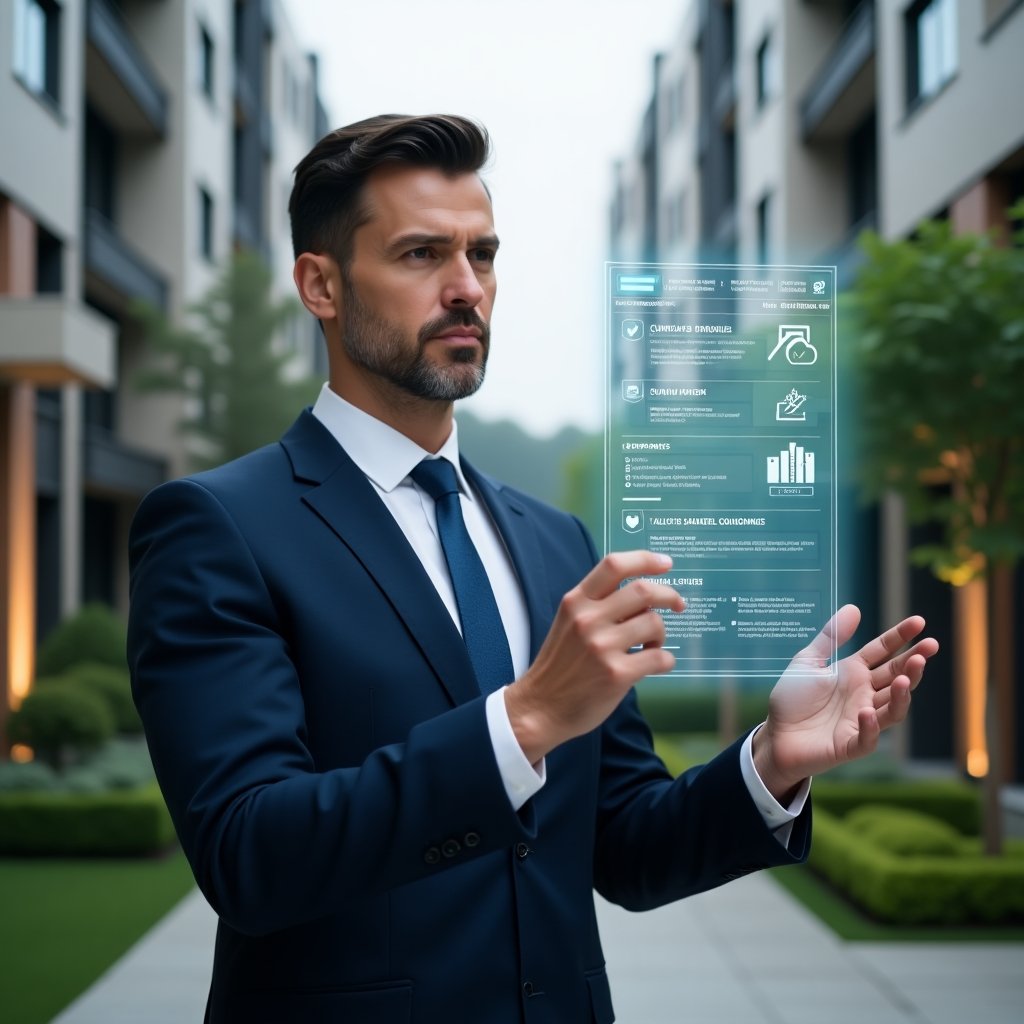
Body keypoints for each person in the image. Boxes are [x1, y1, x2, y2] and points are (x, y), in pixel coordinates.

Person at [127, 114, 938, 1024]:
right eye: (421, 254)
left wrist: (769, 764)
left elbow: (626, 847)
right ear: (320, 284)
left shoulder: (554, 541)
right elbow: (250, 856)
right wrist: (524, 720)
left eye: (483, 254)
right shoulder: (219, 526)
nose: (466, 288)